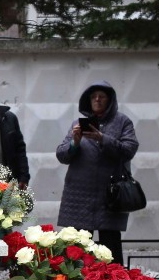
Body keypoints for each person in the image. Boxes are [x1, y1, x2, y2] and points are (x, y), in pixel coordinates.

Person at [56, 81, 138, 265]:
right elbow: (62, 155)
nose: (97, 100)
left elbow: (129, 149)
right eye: (93, 97)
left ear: (110, 100)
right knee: (77, 250)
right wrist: (75, 143)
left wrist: (102, 139)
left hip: (110, 194)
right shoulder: (78, 124)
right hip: (79, 195)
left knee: (111, 249)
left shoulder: (123, 122)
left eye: (102, 96)